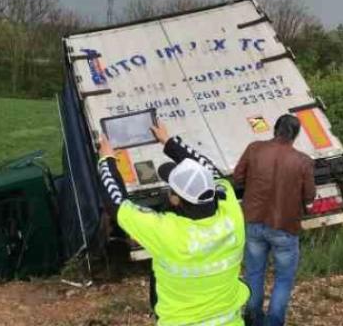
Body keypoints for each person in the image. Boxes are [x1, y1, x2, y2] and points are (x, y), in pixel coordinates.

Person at [97, 122, 249, 325]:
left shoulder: (168, 232)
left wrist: (106, 160)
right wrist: (169, 142)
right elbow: (210, 169)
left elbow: (117, 203)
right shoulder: (230, 212)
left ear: (176, 199)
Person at [233, 114, 315, 326]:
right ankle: (273, 323)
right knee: (284, 279)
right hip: (285, 226)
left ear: (275, 129)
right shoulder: (303, 161)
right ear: (295, 135)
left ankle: (252, 319)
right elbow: (309, 197)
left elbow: (238, 177)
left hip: (254, 220)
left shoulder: (254, 149)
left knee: (254, 273)